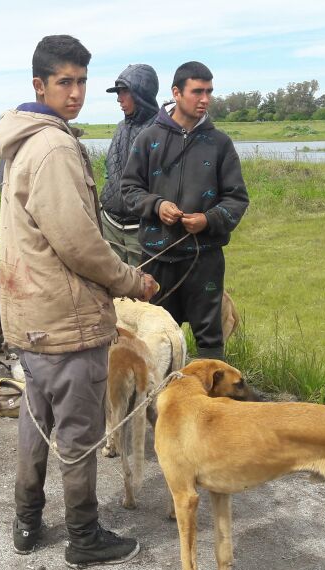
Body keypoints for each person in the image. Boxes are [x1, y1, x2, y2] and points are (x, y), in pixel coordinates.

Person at [0, 34, 157, 569]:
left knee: (35, 424)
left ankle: (27, 519)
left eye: (83, 81)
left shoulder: (23, 140)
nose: (77, 92)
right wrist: (131, 281)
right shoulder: (55, 146)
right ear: (39, 85)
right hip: (64, 321)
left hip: (28, 316)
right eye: (65, 81)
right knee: (79, 436)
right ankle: (83, 535)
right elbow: (80, 244)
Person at [121, 61, 249, 361]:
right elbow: (128, 191)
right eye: (197, 92)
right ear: (176, 93)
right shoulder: (148, 139)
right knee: (157, 341)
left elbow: (237, 199)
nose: (205, 99)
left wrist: (209, 220)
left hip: (204, 260)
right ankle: (160, 404)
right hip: (157, 259)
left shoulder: (220, 144)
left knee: (210, 339)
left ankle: (211, 404)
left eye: (209, 92)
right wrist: (157, 205)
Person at [100, 64, 159, 267]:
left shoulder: (162, 131)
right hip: (110, 224)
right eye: (118, 92)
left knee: (146, 291)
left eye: (124, 91)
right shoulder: (120, 128)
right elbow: (110, 169)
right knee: (112, 292)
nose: (119, 98)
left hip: (141, 228)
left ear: (141, 92)